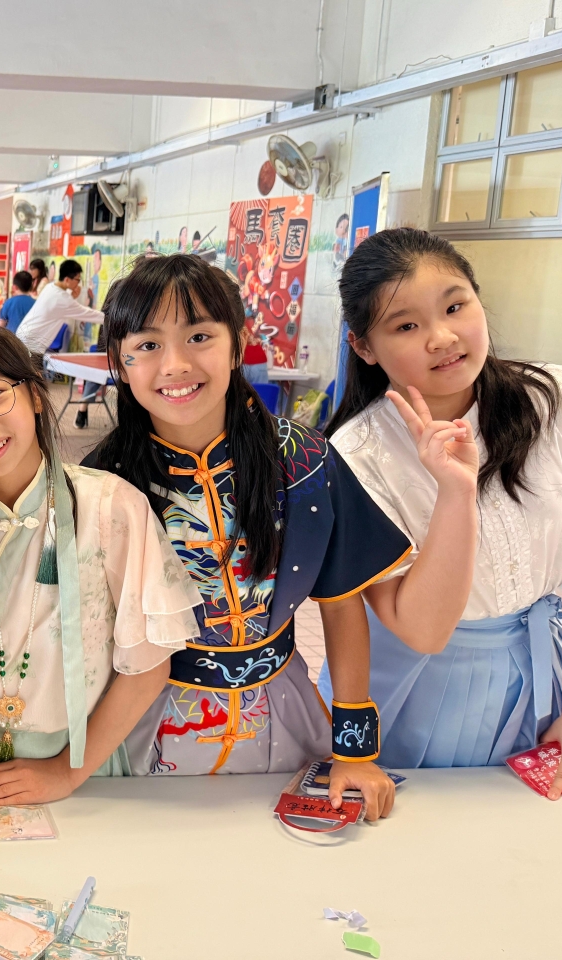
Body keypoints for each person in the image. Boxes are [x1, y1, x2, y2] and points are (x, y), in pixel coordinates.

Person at [85, 254, 445, 820]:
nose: (175, 365)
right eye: (148, 345)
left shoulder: (304, 460)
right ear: (120, 361)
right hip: (142, 717)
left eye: (199, 336)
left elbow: (341, 601)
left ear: (238, 344)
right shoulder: (101, 483)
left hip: (284, 705)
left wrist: (354, 750)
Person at [326, 228, 562, 795]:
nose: (442, 337)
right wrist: (455, 494)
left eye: (455, 306)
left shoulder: (557, 400)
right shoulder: (354, 457)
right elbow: (424, 631)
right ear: (364, 347)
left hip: (545, 674)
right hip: (416, 691)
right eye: (406, 326)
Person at [0, 321, 201, 807]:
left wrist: (65, 773)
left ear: (36, 394)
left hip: (81, 762)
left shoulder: (111, 507)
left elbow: (147, 666)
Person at [15, 259, 101, 355]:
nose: (78, 283)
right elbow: (88, 314)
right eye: (77, 280)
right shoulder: (63, 299)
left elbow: (58, 305)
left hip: (24, 338)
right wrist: (110, 317)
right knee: (33, 365)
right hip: (32, 345)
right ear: (67, 280)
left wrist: (71, 297)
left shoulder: (50, 287)